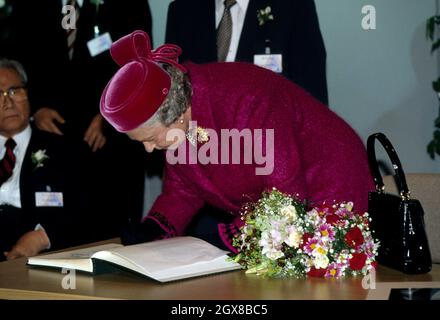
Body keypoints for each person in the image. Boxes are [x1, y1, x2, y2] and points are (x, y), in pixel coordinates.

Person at [100, 31, 374, 251]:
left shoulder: (250, 102)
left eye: (149, 139)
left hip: (329, 188)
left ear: (177, 115)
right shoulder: (179, 121)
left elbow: (285, 198)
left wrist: (222, 240)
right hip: (274, 209)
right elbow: (183, 189)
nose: (148, 149)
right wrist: (153, 228)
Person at [6, 0, 153, 241]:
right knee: (61, 234)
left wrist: (109, 115)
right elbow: (18, 59)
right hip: (52, 137)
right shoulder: (29, 6)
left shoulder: (129, 5)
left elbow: (141, 63)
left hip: (112, 140)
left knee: (114, 235)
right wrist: (37, 107)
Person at [0, 59, 90, 261]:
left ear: (28, 94)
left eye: (15, 91)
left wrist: (42, 237)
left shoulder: (63, 149)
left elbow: (84, 208)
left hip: (41, 254)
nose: (8, 102)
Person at [165, 0, 328, 105]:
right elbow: (171, 101)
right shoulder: (182, 11)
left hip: (270, 148)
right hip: (201, 148)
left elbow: (312, 98)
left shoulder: (293, 8)